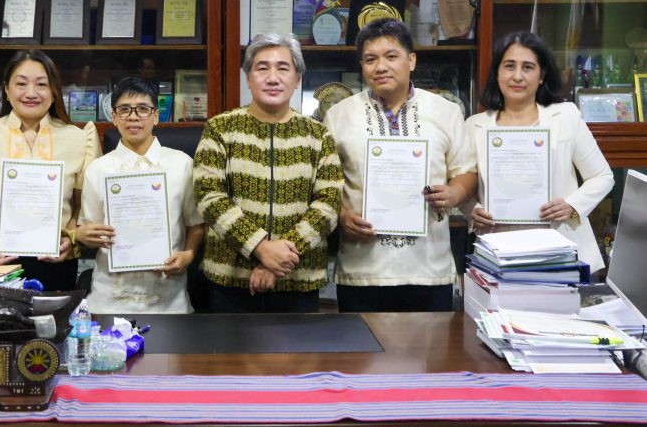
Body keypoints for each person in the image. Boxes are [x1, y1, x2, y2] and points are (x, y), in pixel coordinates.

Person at [324, 18, 477, 312]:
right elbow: (325, 184)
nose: (380, 67)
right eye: (370, 59)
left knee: (429, 357)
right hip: (362, 272)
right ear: (362, 66)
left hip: (429, 271)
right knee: (361, 358)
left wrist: (454, 194)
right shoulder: (339, 115)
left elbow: (466, 172)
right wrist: (342, 216)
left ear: (412, 61)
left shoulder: (446, 111)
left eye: (391, 56)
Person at [193, 32, 343, 313]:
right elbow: (208, 196)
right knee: (228, 359)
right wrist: (260, 246)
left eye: (283, 68)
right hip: (231, 283)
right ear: (248, 77)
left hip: (298, 282)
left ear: (297, 79)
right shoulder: (220, 129)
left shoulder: (318, 135)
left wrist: (280, 259)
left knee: (299, 359)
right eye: (262, 68)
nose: (272, 78)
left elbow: (329, 203)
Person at [0, 50, 101, 290]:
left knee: (56, 326)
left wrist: (70, 240)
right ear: (6, 90)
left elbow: (82, 208)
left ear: (53, 92)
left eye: (42, 84)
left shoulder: (80, 139)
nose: (31, 93)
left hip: (56, 262)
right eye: (21, 84)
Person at [463, 31, 613, 272]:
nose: (517, 76)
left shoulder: (566, 116)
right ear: (498, 73)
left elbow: (602, 177)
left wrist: (572, 205)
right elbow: (465, 187)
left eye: (528, 67)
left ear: (542, 75)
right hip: (499, 250)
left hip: (560, 248)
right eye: (509, 66)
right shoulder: (475, 125)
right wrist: (472, 211)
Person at [76, 77, 205, 313]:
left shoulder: (181, 164)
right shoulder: (98, 169)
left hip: (168, 301)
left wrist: (188, 255)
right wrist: (83, 234)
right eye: (124, 110)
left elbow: (196, 224)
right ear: (114, 118)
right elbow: (88, 229)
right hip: (108, 301)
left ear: (156, 116)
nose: (133, 117)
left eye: (143, 109)